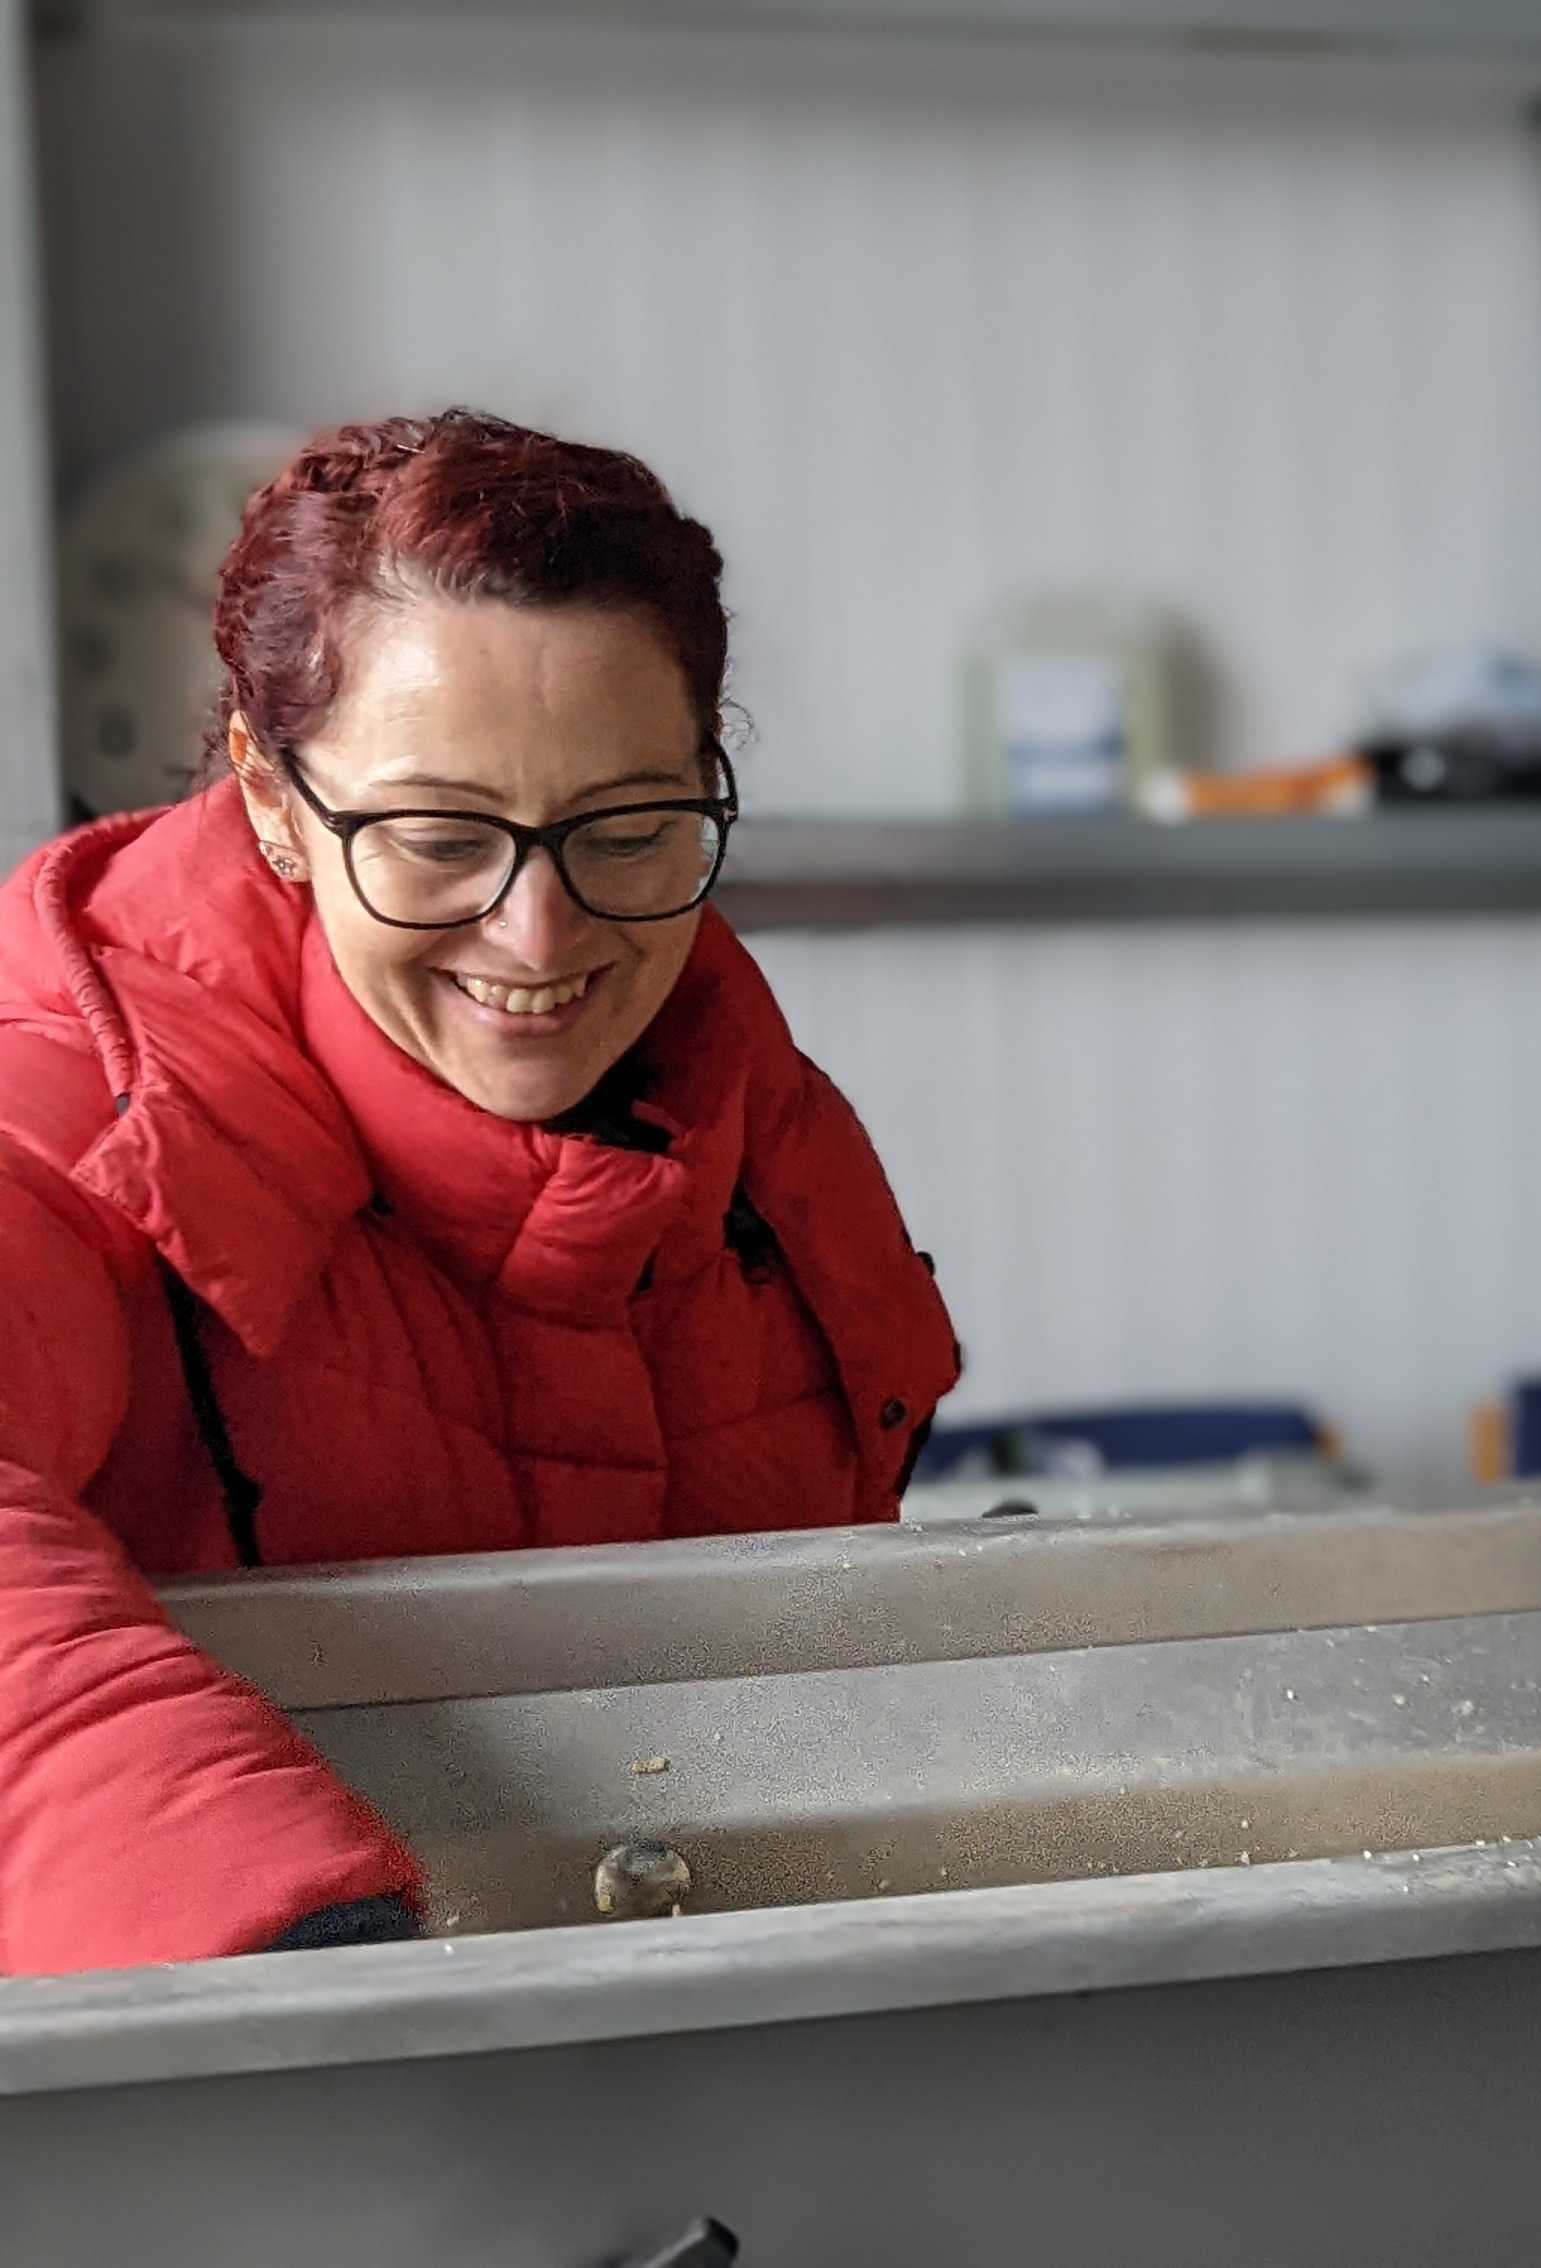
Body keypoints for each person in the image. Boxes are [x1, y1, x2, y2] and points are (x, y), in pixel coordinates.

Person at [0, 411, 960, 1973]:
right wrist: (304, 1970)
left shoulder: (759, 1134)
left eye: (630, 827)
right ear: (266, 797)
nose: (540, 938)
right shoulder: (62, 1107)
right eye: (440, 838)